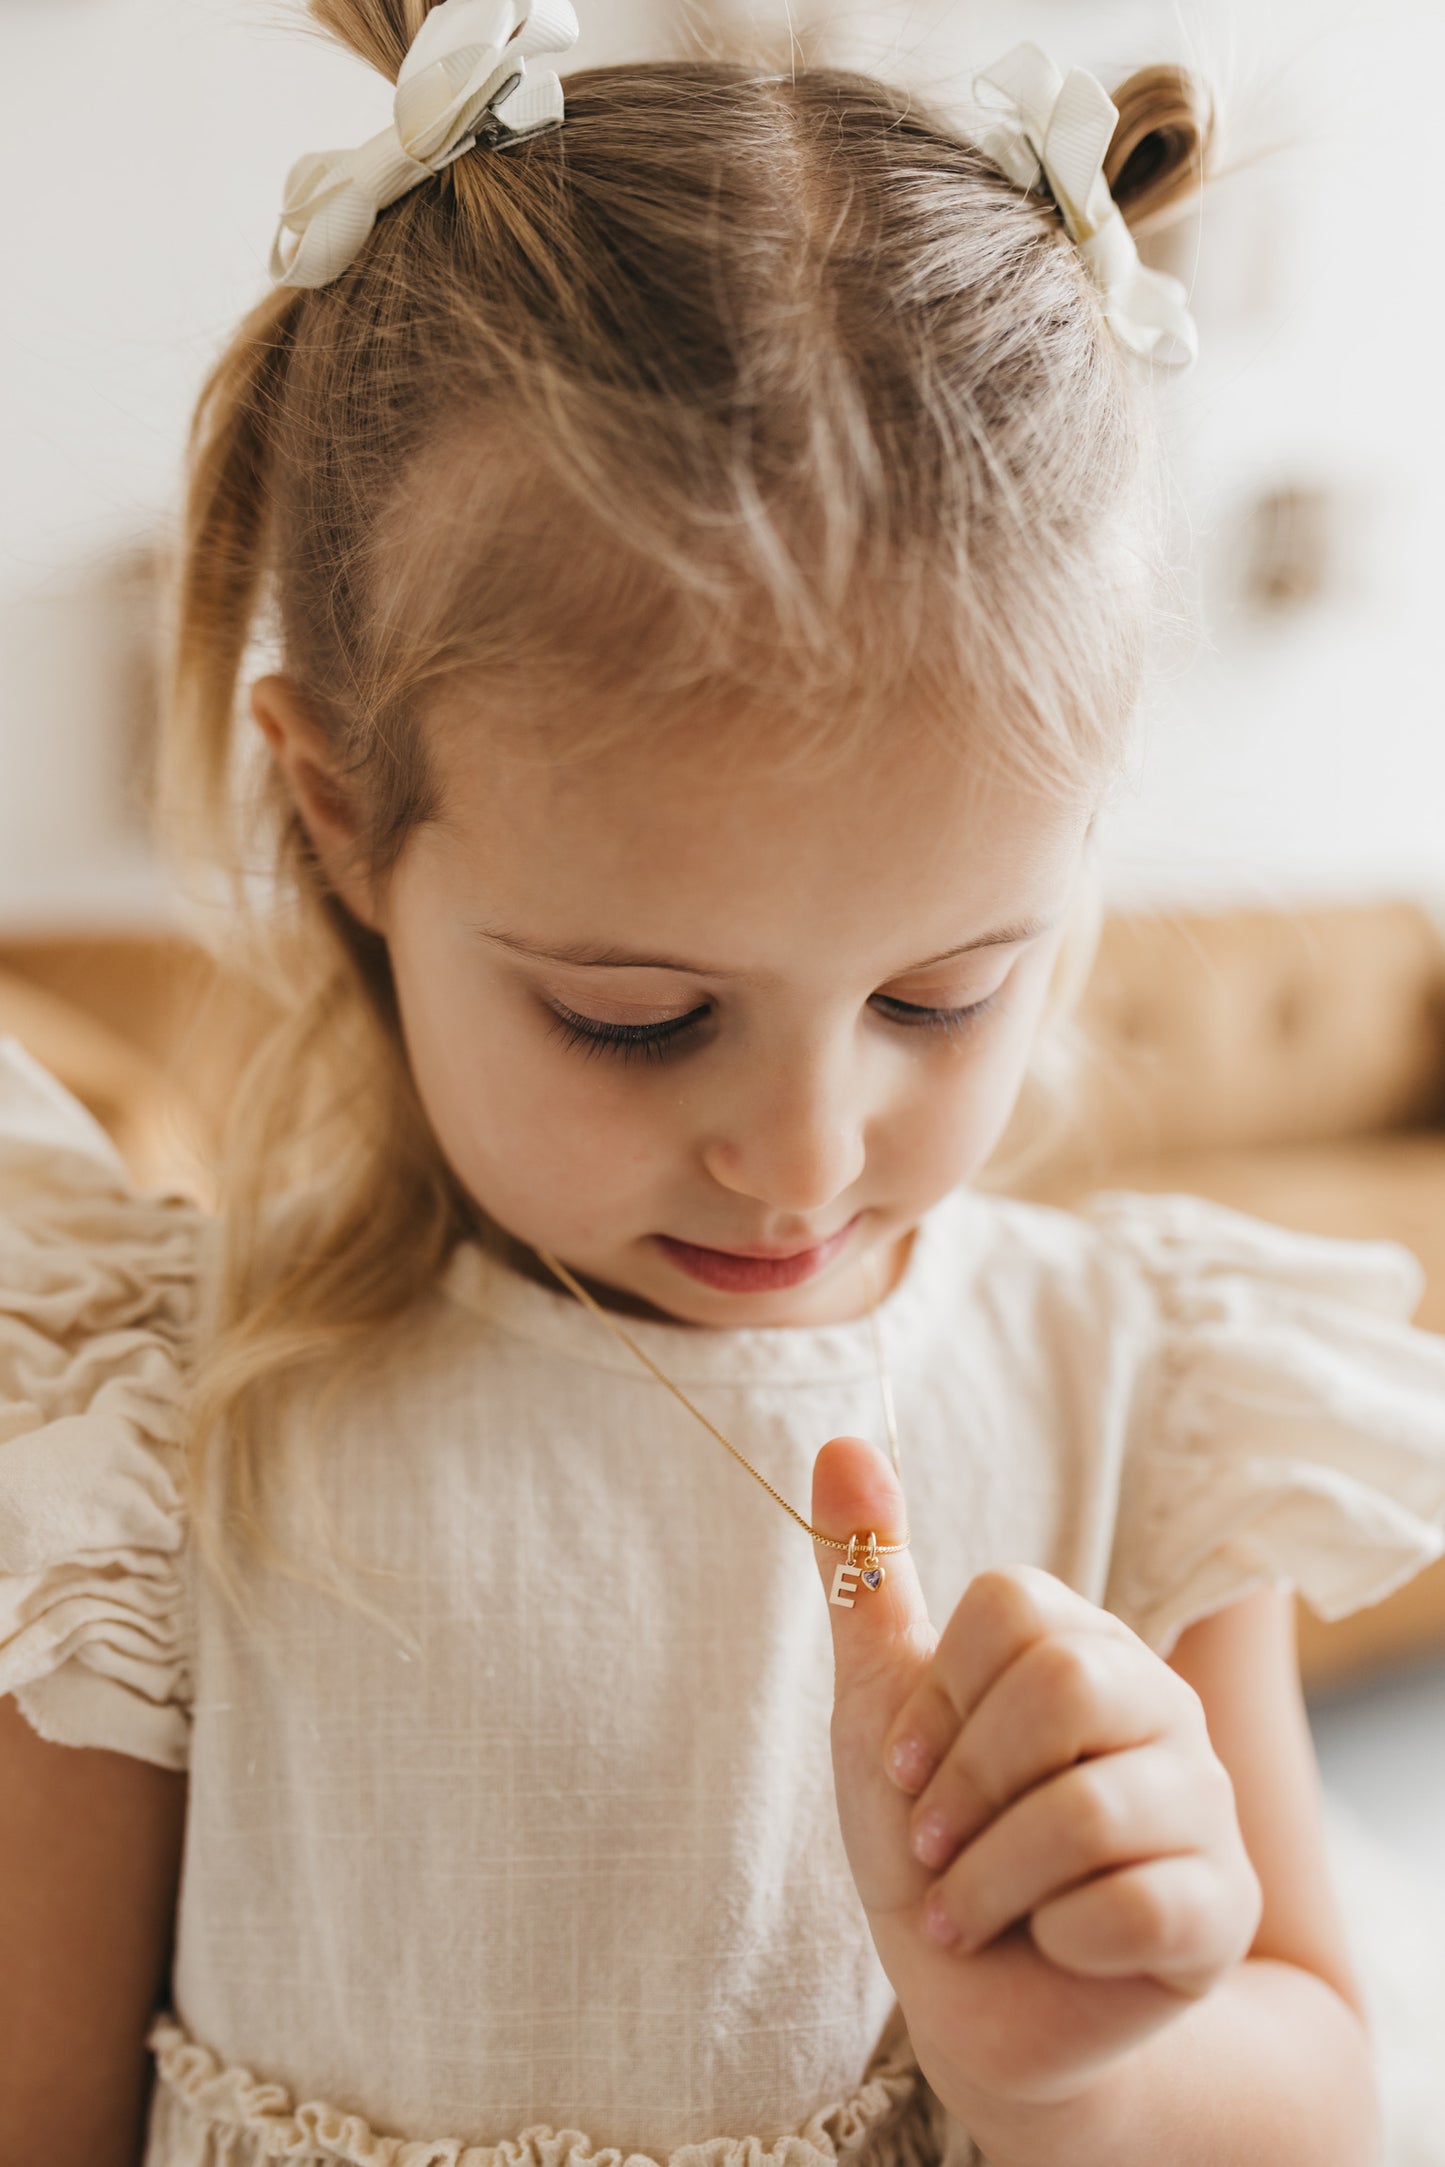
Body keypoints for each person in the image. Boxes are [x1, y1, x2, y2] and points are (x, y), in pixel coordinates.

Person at [3, 5, 1444, 2164]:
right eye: (635, 1015)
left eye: (943, 995)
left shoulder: (1135, 1398)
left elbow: (1316, 2094)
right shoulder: (148, 1437)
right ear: (341, 819)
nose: (803, 1155)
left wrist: (1083, 2059)